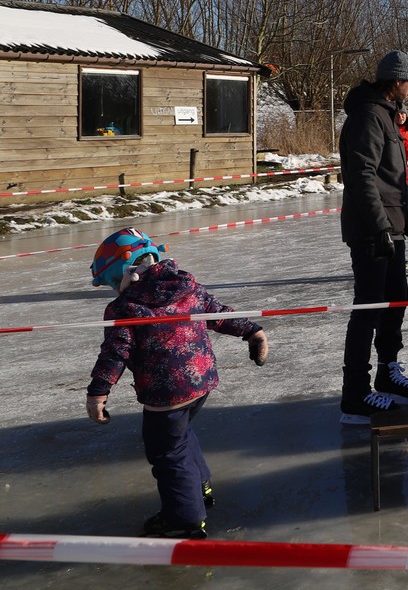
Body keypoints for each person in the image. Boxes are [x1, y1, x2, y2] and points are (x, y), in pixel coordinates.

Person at [85, 228, 270, 539]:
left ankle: (184, 519)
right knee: (180, 435)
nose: (115, 290)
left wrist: (98, 392)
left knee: (167, 453)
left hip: (165, 394)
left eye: (114, 283)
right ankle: (199, 486)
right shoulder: (187, 287)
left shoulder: (124, 308)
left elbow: (115, 353)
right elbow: (219, 314)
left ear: (126, 273)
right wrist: (253, 331)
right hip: (201, 381)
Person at [338, 49, 408, 424]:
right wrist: (379, 227)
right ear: (396, 81)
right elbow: (361, 176)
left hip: (392, 225)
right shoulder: (368, 117)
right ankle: (355, 393)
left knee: (396, 300)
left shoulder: (387, 115)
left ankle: (387, 371)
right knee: (369, 308)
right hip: (373, 230)